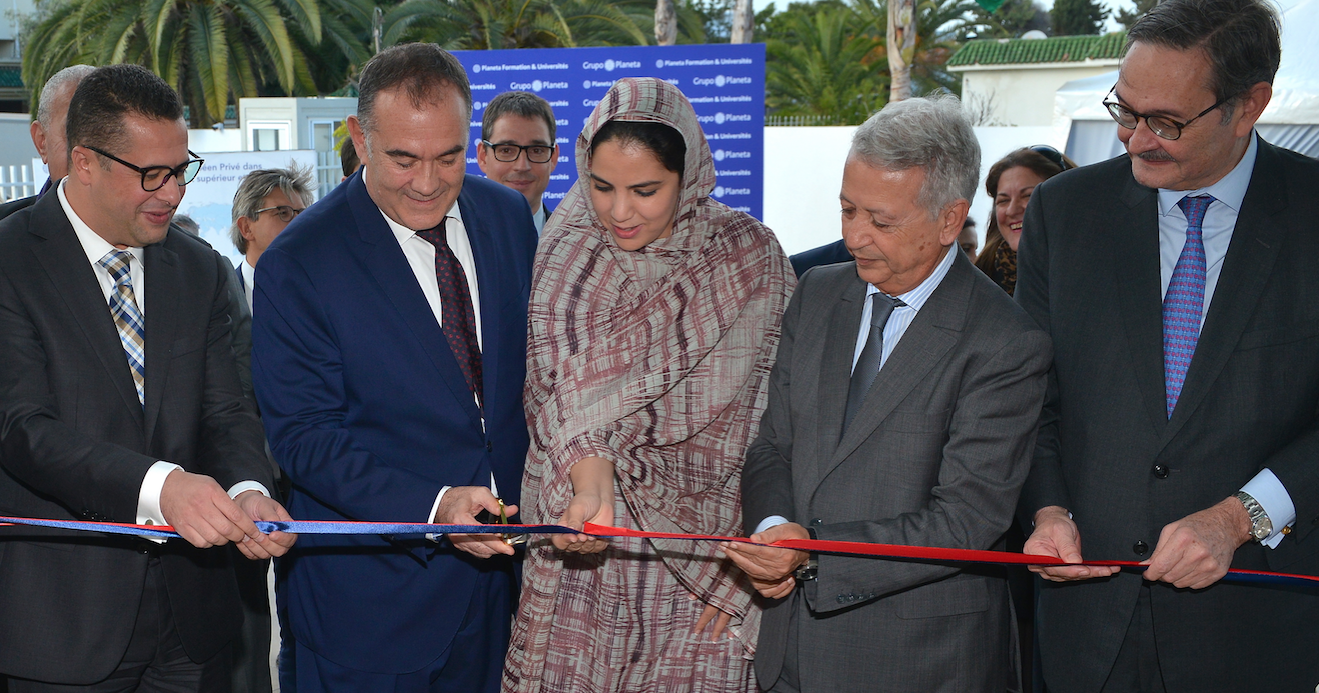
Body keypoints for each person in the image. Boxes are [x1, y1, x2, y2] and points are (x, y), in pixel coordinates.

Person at [1015, 0, 1319, 690]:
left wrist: (1240, 516)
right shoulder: (1064, 214)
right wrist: (1047, 508)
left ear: (1248, 106)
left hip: (1253, 630)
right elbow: (1028, 395)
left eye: (1165, 122)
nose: (1133, 139)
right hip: (1082, 624)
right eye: (1124, 110)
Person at [723, 94, 1053, 692]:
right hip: (790, 649)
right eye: (847, 210)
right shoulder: (818, 294)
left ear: (950, 219)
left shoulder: (1005, 341)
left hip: (922, 660)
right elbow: (772, 444)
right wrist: (773, 527)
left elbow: (966, 520)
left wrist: (813, 550)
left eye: (881, 221)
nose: (854, 236)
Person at [250, 43, 537, 692]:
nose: (429, 181)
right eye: (403, 158)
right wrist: (434, 505)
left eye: (449, 156)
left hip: (508, 594)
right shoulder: (300, 262)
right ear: (358, 137)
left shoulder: (508, 217)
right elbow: (304, 436)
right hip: (371, 609)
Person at [0, 63, 294, 690]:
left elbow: (227, 411)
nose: (172, 193)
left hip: (194, 622)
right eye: (150, 175)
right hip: (62, 626)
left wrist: (245, 488)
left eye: (181, 170)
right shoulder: (9, 261)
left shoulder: (200, 270)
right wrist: (164, 488)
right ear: (84, 162)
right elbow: (24, 430)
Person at [502, 77, 795, 693]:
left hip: (706, 558)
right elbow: (559, 401)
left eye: (645, 190)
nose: (618, 211)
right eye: (602, 186)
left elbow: (773, 420)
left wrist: (744, 577)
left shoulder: (746, 258)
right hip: (584, 545)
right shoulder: (567, 250)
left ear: (686, 178)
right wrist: (589, 479)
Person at [973, 145, 1073, 296]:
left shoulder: (1095, 267)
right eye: (1003, 200)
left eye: (1028, 196)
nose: (1012, 210)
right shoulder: (979, 283)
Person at [0, 65, 95, 220]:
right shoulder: (7, 235)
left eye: (108, 135)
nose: (92, 151)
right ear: (42, 142)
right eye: (73, 133)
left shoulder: (145, 231)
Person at [229, 165, 315, 310]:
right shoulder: (221, 298)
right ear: (246, 227)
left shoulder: (318, 294)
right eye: (283, 213)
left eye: (301, 214)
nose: (297, 223)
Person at [476, 90, 559, 233]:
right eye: (507, 151)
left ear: (553, 157)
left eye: (536, 150)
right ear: (483, 156)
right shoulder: (458, 241)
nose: (522, 166)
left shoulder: (580, 247)